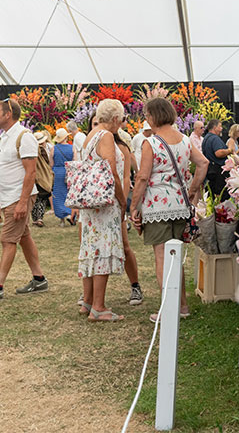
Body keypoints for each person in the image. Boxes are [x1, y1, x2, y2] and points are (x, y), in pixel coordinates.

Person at [131, 98, 209, 322]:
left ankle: (168, 309)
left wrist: (134, 206)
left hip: (157, 207)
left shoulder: (151, 143)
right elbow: (203, 163)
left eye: (146, 114)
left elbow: (143, 177)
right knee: (176, 258)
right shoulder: (185, 140)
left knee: (162, 258)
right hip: (180, 205)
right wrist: (193, 190)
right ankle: (182, 306)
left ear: (153, 117)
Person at [0, 98, 48, 304]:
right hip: (9, 197)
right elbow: (5, 166)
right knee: (23, 237)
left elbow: (30, 171)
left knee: (8, 240)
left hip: (17, 197)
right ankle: (39, 278)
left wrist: (23, 202)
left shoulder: (24, 137)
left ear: (8, 114)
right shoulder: (5, 137)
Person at [78, 99, 127, 322]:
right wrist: (122, 198)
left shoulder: (91, 135)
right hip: (104, 202)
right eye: (122, 119)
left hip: (91, 201)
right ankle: (98, 306)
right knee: (102, 247)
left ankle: (88, 301)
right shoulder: (106, 136)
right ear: (115, 119)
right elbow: (111, 171)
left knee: (91, 247)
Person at [112, 131, 143, 306]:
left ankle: (135, 285)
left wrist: (122, 204)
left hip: (116, 204)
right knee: (92, 249)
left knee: (124, 247)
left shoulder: (121, 147)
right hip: (94, 206)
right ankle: (89, 292)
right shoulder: (90, 144)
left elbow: (125, 177)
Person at [201, 118, 232, 200]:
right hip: (218, 172)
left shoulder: (206, 138)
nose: (221, 129)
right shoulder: (214, 138)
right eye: (220, 126)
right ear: (214, 127)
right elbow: (218, 153)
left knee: (212, 197)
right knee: (221, 196)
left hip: (210, 170)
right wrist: (229, 150)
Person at [51, 128, 74, 225]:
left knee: (58, 195)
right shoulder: (72, 148)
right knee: (69, 194)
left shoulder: (54, 148)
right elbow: (74, 161)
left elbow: (51, 163)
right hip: (68, 171)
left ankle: (62, 219)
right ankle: (70, 214)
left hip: (58, 172)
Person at [30, 131, 53, 227]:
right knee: (42, 197)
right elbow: (47, 162)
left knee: (35, 197)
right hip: (42, 175)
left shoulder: (30, 149)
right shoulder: (42, 150)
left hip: (33, 175)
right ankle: (39, 218)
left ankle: (35, 218)